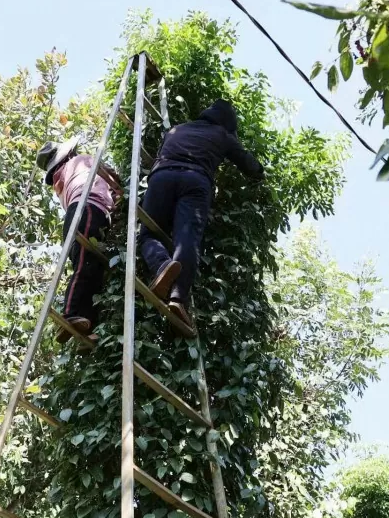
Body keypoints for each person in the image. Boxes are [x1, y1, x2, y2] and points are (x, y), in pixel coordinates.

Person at [139, 98, 265, 336]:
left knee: (148, 233)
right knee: (187, 238)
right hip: (196, 180)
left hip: (162, 177)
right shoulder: (222, 135)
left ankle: (162, 265)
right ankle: (178, 297)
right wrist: (260, 173)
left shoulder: (177, 129)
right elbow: (247, 163)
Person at [37, 139, 178, 343]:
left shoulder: (62, 180)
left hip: (80, 212)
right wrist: (123, 193)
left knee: (90, 267)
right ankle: (69, 315)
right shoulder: (81, 161)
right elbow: (112, 178)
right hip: (88, 208)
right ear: (68, 154)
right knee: (85, 263)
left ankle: (85, 327)